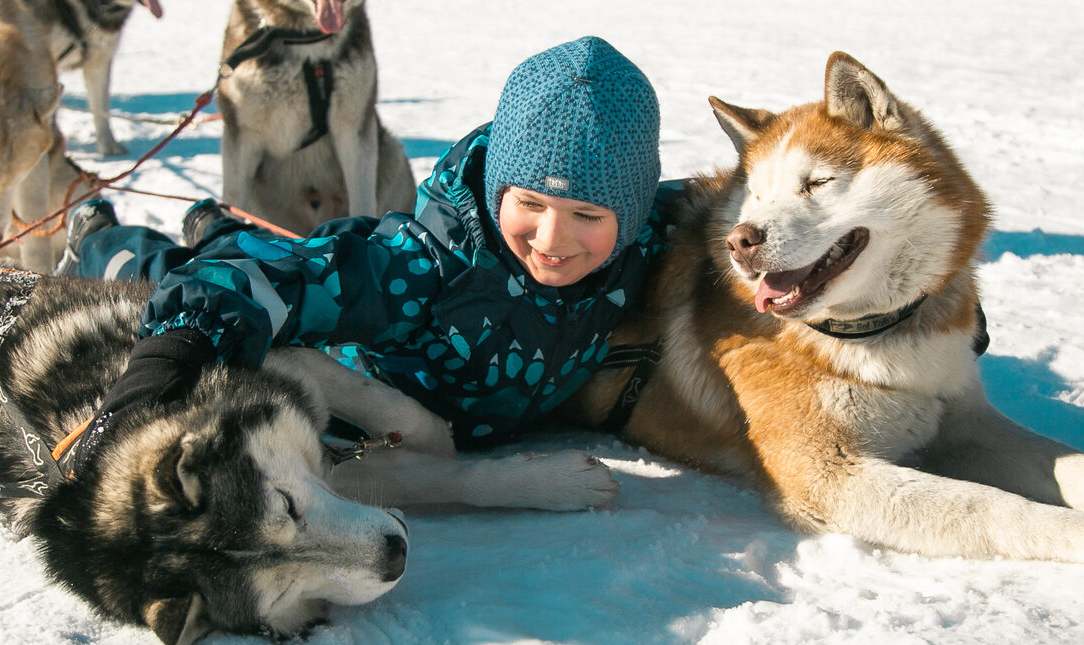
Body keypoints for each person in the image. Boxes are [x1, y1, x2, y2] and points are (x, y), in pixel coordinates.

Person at [64, 35, 672, 450]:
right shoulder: (424, 269)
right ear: (494, 192)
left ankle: (217, 227)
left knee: (239, 257)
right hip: (330, 373)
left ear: (633, 208)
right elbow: (290, 279)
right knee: (168, 276)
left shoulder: (642, 246)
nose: (552, 238)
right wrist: (178, 348)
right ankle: (99, 235)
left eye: (586, 213)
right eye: (530, 204)